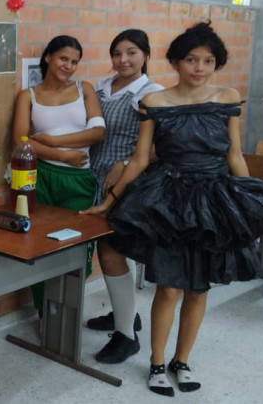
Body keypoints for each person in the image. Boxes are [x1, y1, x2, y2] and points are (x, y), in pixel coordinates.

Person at [82, 22, 263, 396]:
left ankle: (182, 361)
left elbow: (234, 155)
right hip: (170, 201)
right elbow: (139, 159)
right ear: (176, 62)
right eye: (191, 60)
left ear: (217, 65)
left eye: (208, 61)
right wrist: (109, 200)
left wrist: (248, 205)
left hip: (215, 200)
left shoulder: (228, 98)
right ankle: (156, 362)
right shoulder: (154, 103)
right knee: (168, 288)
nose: (200, 68)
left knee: (199, 290)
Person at [86, 29, 164, 364]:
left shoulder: (153, 93)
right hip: (92, 176)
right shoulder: (102, 87)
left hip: (126, 182)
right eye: (117, 53)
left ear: (146, 54)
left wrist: (121, 169)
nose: (123, 60)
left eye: (131, 53)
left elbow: (159, 147)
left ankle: (126, 337)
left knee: (111, 248)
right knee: (117, 250)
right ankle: (125, 314)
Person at [13, 35, 106, 310]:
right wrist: (60, 154)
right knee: (38, 244)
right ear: (48, 57)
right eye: (63, 58)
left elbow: (98, 133)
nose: (68, 66)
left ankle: (67, 316)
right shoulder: (28, 96)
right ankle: (47, 314)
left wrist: (52, 140)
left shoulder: (84, 89)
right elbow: (20, 141)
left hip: (78, 180)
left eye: (74, 62)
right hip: (40, 178)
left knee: (75, 247)